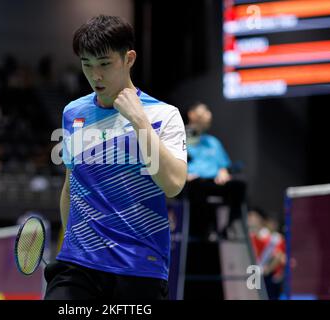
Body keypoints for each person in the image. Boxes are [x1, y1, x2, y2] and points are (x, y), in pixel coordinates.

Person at [44, 15, 187, 300]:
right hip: (78, 265)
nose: (95, 75)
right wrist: (68, 246)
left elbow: (173, 184)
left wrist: (139, 122)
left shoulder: (163, 115)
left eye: (105, 64)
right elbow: (72, 185)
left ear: (129, 58)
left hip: (139, 266)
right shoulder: (74, 113)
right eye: (87, 64)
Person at [183, 102, 246, 240]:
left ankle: (228, 226)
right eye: (204, 111)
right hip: (193, 183)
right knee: (197, 188)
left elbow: (223, 165)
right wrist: (184, 174)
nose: (208, 115)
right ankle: (203, 231)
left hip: (213, 182)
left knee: (239, 185)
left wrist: (223, 171)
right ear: (191, 114)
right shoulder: (183, 137)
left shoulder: (212, 141)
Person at [247, 207, 286, 300]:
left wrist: (268, 269)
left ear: (262, 220)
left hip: (266, 277)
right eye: (249, 217)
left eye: (254, 217)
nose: (251, 220)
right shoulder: (249, 236)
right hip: (251, 273)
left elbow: (279, 256)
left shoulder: (274, 238)